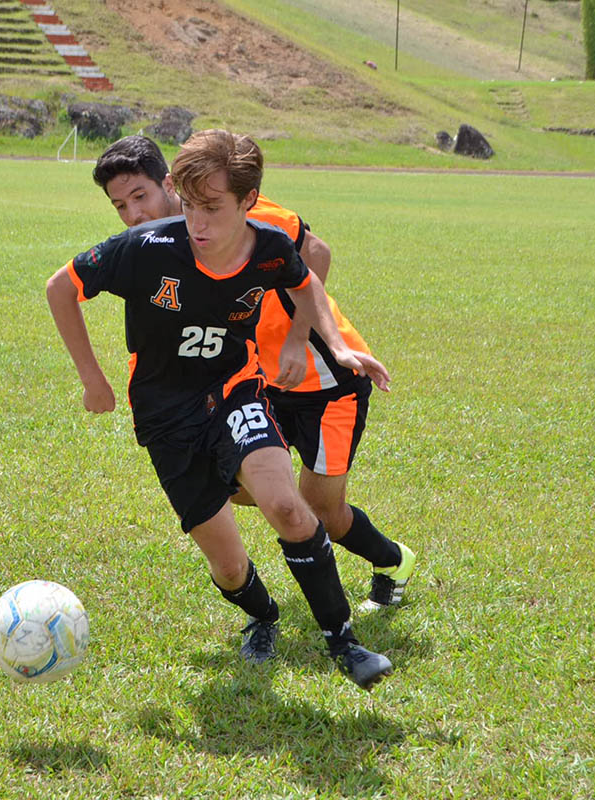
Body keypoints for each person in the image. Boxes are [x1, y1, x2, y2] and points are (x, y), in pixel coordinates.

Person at [46, 130, 395, 689]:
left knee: (286, 505)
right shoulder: (145, 248)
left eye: (212, 208)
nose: (199, 223)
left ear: (247, 202)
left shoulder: (268, 246)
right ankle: (263, 616)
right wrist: (93, 379)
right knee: (229, 567)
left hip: (236, 389)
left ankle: (343, 640)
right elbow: (60, 288)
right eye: (192, 207)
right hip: (165, 418)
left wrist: (334, 340)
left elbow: (305, 282)